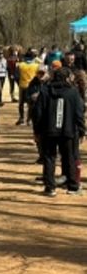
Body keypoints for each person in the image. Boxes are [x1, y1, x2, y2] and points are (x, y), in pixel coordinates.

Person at [33, 67, 85, 196]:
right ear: (67, 77)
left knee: (49, 158)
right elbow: (79, 113)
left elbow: (37, 113)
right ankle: (73, 186)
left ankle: (50, 187)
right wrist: (82, 130)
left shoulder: (45, 91)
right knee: (69, 158)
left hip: (48, 131)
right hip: (68, 131)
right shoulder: (73, 92)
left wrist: (37, 131)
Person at [16, 49, 41, 125]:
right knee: (31, 104)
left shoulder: (20, 65)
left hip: (22, 86)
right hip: (32, 87)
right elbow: (39, 76)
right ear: (33, 57)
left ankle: (21, 118)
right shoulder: (37, 66)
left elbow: (16, 76)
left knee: (21, 103)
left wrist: (19, 83)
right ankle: (29, 120)